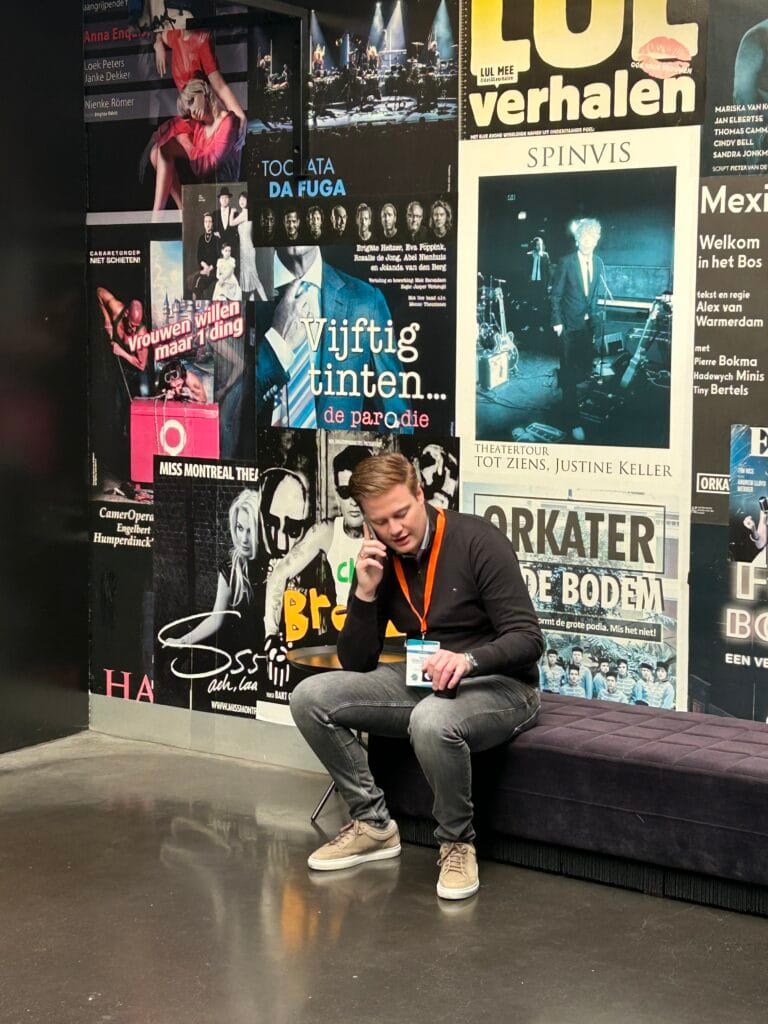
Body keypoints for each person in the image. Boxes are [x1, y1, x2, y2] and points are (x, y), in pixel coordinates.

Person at [290, 452, 543, 900]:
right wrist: (365, 593)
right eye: (381, 521)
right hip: (422, 679)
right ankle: (373, 824)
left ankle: (457, 843)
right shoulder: (380, 556)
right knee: (310, 697)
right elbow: (357, 661)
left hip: (498, 684)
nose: (396, 529)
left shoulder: (478, 541)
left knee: (431, 719)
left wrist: (468, 661)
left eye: (402, 513)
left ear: (421, 495)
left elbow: (528, 639)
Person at [254, 245, 410, 431]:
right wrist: (276, 345)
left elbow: (397, 417)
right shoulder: (243, 291)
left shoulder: (366, 300)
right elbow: (230, 408)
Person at [263, 445, 374, 661]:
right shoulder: (328, 531)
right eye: (345, 491)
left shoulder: (388, 532)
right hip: (344, 637)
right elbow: (279, 573)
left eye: (360, 491)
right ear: (337, 493)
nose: (353, 501)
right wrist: (271, 635)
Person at [146, 78, 243, 213]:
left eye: (192, 101)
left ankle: (173, 214)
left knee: (172, 143)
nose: (192, 111)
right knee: (162, 149)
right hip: (203, 195)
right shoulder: (199, 126)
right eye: (188, 110)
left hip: (225, 199)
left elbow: (204, 168)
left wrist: (184, 142)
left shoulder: (228, 122)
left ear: (202, 92)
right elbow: (170, 127)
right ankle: (158, 216)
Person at [551, 218, 606, 442]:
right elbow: (555, 295)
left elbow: (593, 295)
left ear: (597, 239)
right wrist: (557, 322)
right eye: (584, 237)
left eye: (592, 237)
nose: (588, 242)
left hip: (586, 326)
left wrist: (594, 319)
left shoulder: (600, 262)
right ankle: (573, 421)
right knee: (570, 374)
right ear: (577, 239)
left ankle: (565, 382)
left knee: (583, 369)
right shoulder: (566, 262)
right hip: (566, 327)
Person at [230, 191, 268, 301]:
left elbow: (231, 223)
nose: (241, 201)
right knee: (248, 277)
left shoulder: (246, 213)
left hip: (248, 249)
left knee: (253, 276)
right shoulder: (244, 213)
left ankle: (264, 299)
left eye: (244, 199)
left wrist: (232, 212)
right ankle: (251, 297)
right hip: (244, 249)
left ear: (247, 201)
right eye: (240, 199)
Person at [191, 211, 218, 299]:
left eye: (210, 221)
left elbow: (217, 257)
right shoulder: (201, 238)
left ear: (212, 223)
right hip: (204, 269)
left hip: (214, 269)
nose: (208, 224)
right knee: (196, 280)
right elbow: (199, 257)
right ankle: (196, 305)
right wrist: (205, 267)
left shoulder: (216, 238)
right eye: (206, 221)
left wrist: (210, 268)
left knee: (198, 280)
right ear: (203, 223)